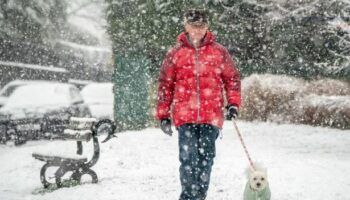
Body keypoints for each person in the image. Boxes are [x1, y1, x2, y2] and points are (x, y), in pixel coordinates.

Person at [156, 9, 241, 200]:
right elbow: (165, 85)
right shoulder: (175, 53)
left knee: (206, 159)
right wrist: (163, 115)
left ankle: (200, 195)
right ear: (186, 26)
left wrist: (233, 103)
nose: (197, 30)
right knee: (187, 159)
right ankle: (187, 196)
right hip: (184, 116)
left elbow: (232, 79)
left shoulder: (219, 52)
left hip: (211, 116)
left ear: (207, 27)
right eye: (193, 26)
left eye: (201, 26)